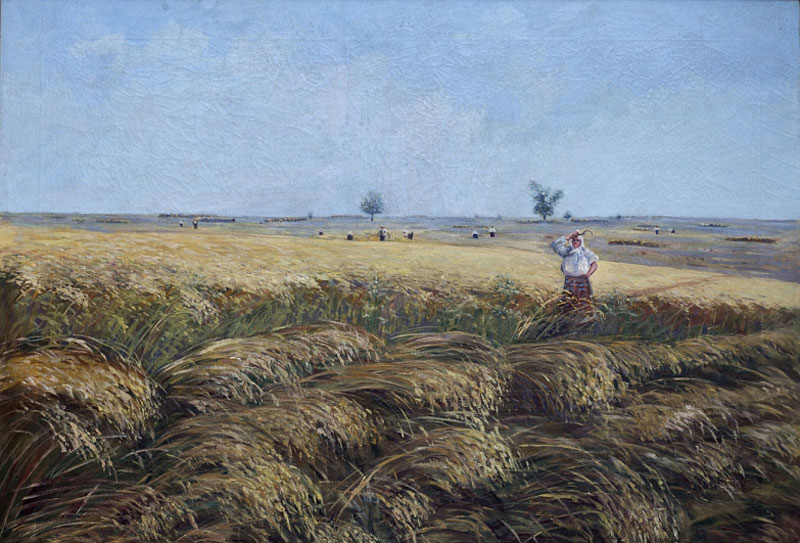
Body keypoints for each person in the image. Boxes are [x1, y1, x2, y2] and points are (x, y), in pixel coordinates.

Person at [550, 230, 598, 306]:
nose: (575, 242)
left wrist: (588, 275)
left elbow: (594, 264)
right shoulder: (567, 251)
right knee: (568, 302)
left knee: (583, 303)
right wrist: (568, 237)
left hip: (582, 281)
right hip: (569, 281)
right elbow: (554, 245)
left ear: (581, 242)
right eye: (573, 240)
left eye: (578, 240)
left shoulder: (585, 252)